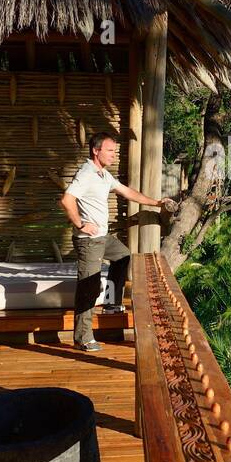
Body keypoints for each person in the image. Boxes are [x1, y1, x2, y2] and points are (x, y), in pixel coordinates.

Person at [61, 132, 163, 352]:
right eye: (110, 151)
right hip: (89, 241)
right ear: (95, 151)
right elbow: (67, 199)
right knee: (88, 286)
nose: (114, 155)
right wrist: (80, 224)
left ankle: (111, 304)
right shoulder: (86, 173)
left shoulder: (103, 175)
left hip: (102, 238)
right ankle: (82, 338)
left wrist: (156, 203)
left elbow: (127, 192)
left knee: (123, 256)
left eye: (115, 151)